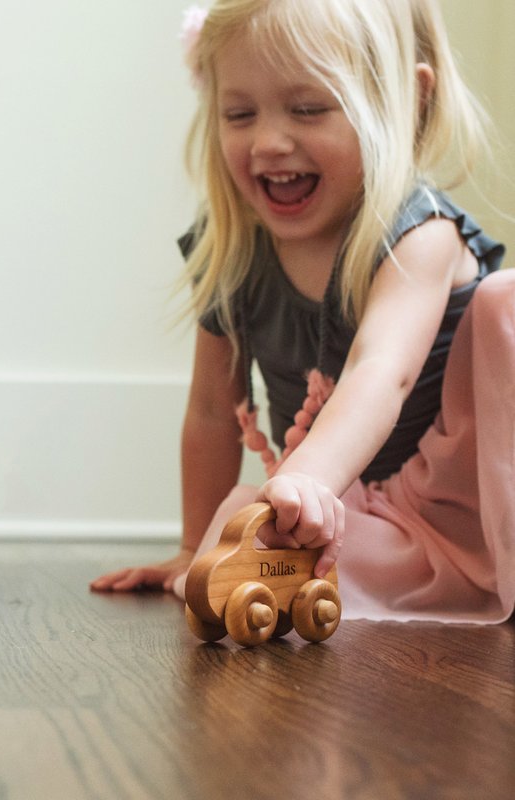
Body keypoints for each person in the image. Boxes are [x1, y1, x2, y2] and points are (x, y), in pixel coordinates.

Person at [92, 0, 515, 623]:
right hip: (347, 516)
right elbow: (211, 411)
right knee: (221, 568)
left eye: (309, 109)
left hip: (462, 512)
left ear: (409, 101)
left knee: (505, 302)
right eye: (239, 114)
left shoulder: (418, 235)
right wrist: (191, 550)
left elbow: (381, 372)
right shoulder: (233, 245)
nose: (269, 141)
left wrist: (310, 476)